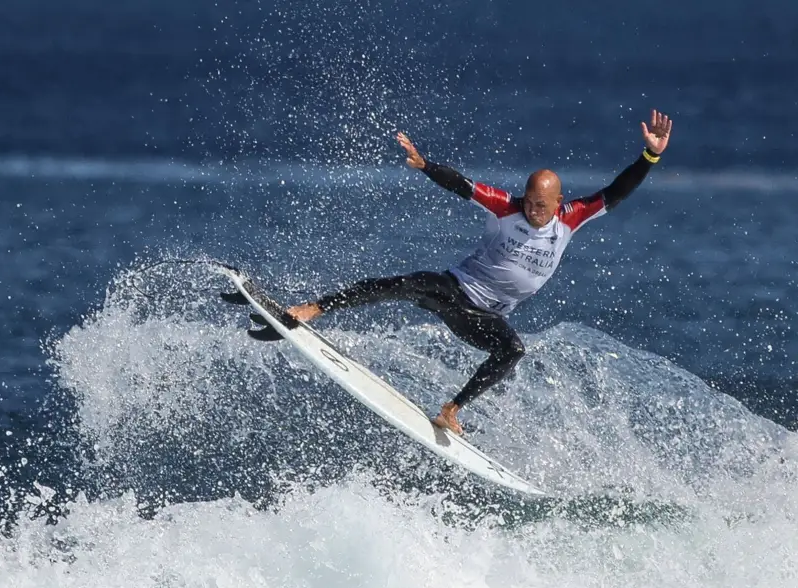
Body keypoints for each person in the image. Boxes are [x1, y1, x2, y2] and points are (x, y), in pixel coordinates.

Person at [288, 109, 673, 436]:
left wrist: (650, 156)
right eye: (529, 202)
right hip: (457, 290)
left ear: (558, 202)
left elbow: (617, 191)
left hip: (484, 318)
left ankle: (451, 411)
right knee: (406, 284)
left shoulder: (572, 218)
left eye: (542, 205)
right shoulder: (507, 206)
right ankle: (314, 308)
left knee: (513, 350)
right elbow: (462, 185)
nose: (533, 210)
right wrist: (425, 166)